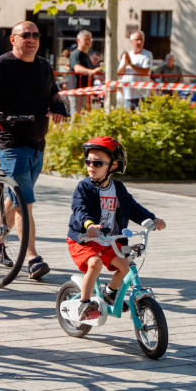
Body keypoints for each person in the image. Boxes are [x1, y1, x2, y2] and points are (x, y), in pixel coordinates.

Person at [0, 20, 69, 280]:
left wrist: (59, 106)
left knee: (16, 197)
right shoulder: (1, 65)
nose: (31, 39)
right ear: (13, 39)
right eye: (25, 35)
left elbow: (53, 94)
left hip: (36, 142)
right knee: (25, 202)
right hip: (10, 141)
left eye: (35, 35)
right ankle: (32, 257)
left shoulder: (43, 65)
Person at [66, 136, 165, 320]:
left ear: (113, 166)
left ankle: (110, 292)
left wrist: (152, 219)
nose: (90, 166)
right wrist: (89, 225)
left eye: (97, 163)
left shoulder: (118, 189)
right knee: (95, 264)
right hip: (84, 239)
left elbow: (134, 209)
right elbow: (79, 209)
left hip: (110, 241)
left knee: (127, 266)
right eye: (88, 161)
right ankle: (84, 304)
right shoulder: (84, 188)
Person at [67, 30, 102, 115]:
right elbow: (77, 69)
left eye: (89, 39)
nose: (88, 42)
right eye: (85, 39)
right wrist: (92, 71)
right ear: (78, 40)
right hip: (76, 91)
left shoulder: (86, 55)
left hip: (86, 91)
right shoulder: (75, 54)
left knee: (84, 117)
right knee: (76, 118)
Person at [117, 30, 152, 109]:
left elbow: (145, 71)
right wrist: (124, 65)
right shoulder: (127, 55)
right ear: (131, 41)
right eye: (137, 40)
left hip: (141, 95)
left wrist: (131, 64)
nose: (139, 42)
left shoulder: (147, 54)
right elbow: (118, 73)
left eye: (141, 40)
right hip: (127, 95)